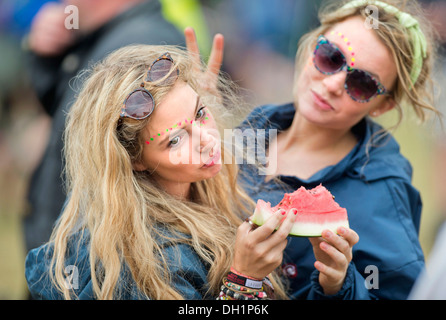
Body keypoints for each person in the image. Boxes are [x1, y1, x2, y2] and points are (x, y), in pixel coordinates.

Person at [186, 0, 441, 299]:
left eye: (362, 83)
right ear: (310, 47)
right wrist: (191, 128)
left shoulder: (383, 195)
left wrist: (339, 287)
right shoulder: (254, 130)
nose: (333, 83)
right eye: (330, 56)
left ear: (383, 105)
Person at [24, 44, 305, 300]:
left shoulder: (199, 186)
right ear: (135, 162)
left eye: (200, 114)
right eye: (175, 140)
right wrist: (244, 281)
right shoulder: (150, 264)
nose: (207, 140)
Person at [22, 0, 184, 253]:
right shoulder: (109, 36)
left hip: (92, 265)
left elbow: (134, 167)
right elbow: (66, 119)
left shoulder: (140, 41)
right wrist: (47, 59)